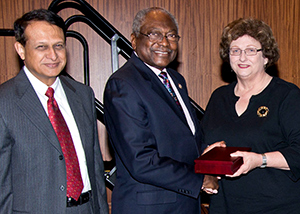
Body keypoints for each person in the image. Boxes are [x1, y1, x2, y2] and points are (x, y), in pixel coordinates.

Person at [104, 6, 217, 214]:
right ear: (134, 40)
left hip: (183, 204)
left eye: (171, 35)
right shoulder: (123, 84)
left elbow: (182, 138)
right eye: (154, 34)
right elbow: (141, 161)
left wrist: (207, 153)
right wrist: (199, 179)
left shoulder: (176, 80)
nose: (164, 42)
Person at [0, 9, 108, 214]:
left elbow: (95, 168)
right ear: (21, 50)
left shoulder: (83, 96)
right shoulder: (4, 102)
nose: (53, 55)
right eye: (42, 47)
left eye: (59, 46)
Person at [201, 18, 300, 213]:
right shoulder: (218, 97)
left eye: (251, 50)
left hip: (277, 207)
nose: (242, 57)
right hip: (225, 207)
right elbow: (205, 145)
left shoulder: (287, 95)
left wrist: (259, 160)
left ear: (266, 57)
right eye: (235, 50)